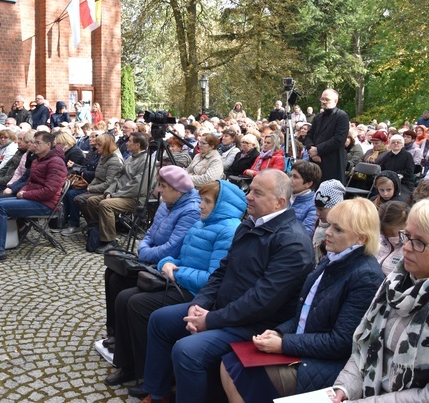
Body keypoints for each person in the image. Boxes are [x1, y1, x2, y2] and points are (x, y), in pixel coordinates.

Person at [140, 170, 314, 403]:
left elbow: (262, 301)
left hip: (256, 325)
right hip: (224, 309)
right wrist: (200, 303)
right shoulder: (249, 225)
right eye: (250, 189)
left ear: (279, 202)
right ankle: (158, 393)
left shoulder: (293, 242)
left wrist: (210, 320)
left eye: (257, 193)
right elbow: (222, 271)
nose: (248, 196)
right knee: (160, 320)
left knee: (187, 351)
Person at [220, 198, 385, 401]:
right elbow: (304, 315)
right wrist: (279, 332)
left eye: (338, 229)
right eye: (329, 225)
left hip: (329, 363)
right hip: (306, 347)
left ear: (361, 239)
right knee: (229, 362)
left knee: (245, 371)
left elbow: (341, 343)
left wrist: (284, 343)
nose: (328, 232)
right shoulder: (334, 260)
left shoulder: (365, 276)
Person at [331, 197, 429, 402]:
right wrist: (344, 389)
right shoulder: (395, 283)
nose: (406, 247)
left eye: (419, 242)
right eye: (406, 236)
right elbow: (366, 347)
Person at [107, 180, 246, 396]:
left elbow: (214, 278)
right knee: (124, 297)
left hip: (195, 293)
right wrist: (166, 264)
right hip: (178, 282)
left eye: (207, 201)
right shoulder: (202, 223)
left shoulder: (228, 231)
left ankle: (150, 374)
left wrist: (178, 271)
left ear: (221, 205)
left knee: (136, 304)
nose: (201, 205)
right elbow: (179, 257)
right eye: (201, 200)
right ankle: (129, 364)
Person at [102, 168, 206, 385]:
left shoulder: (191, 210)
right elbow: (149, 233)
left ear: (177, 190)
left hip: (165, 265)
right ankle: (119, 341)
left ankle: (141, 370)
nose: (158, 190)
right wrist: (144, 247)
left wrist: (146, 253)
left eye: (163, 187)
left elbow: (173, 248)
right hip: (154, 261)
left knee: (130, 298)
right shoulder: (167, 204)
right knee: (113, 274)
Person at [0, 131, 68, 263]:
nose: (35, 145)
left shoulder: (56, 162)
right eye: (34, 142)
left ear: (48, 145)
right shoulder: (38, 159)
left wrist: (25, 194)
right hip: (34, 199)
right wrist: (24, 191)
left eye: (38, 143)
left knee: (0, 207)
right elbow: (30, 181)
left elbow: (50, 191)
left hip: (46, 205)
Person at [81, 132, 151, 253]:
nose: (126, 143)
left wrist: (114, 195)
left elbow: (137, 186)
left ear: (137, 145)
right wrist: (109, 191)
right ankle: (98, 232)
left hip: (135, 198)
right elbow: (116, 178)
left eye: (130, 141)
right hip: (120, 194)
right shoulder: (131, 157)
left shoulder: (146, 161)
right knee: (91, 201)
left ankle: (110, 240)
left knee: (105, 204)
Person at [63, 133, 122, 235]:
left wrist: (91, 188)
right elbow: (97, 176)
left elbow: (110, 183)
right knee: (70, 193)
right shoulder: (103, 156)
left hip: (107, 190)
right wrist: (90, 186)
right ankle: (91, 225)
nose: (96, 147)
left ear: (106, 146)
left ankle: (92, 225)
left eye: (99, 145)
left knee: (76, 196)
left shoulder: (114, 160)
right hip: (95, 185)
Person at [304, 89, 350, 184]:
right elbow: (309, 135)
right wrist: (312, 149)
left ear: (335, 101)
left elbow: (339, 139)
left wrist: (318, 150)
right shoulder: (317, 117)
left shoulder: (342, 116)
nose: (324, 102)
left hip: (332, 162)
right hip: (314, 162)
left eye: (327, 99)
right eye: (322, 99)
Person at [312, 180, 346, 263]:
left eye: (321, 209)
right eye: (316, 208)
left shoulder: (343, 231)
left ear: (335, 208)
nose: (317, 213)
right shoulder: (319, 224)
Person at [375, 201, 409, 275]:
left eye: (392, 233)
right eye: (384, 232)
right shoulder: (379, 239)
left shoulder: (408, 249)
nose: (388, 236)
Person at [290, 160, 321, 235]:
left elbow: (306, 233)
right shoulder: (284, 195)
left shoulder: (313, 206)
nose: (290, 179)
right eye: (290, 175)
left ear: (308, 183)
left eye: (295, 177)